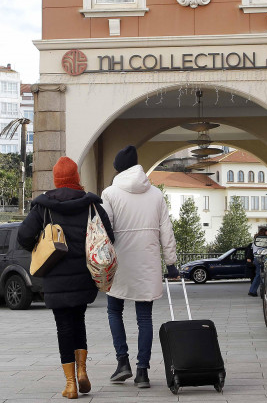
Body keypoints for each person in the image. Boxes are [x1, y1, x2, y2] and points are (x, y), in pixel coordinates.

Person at [17, 156, 114, 400]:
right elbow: (109, 236)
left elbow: (23, 237)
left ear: (57, 179)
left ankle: (70, 384)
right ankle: (82, 370)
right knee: (78, 321)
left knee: (63, 327)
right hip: (83, 278)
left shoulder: (44, 207)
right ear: (76, 178)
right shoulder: (91, 205)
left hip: (55, 278)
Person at [101, 145, 178, 389]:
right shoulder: (155, 194)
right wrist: (172, 264)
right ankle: (142, 372)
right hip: (148, 263)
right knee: (145, 318)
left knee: (114, 311)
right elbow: (166, 231)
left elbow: (105, 231)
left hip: (120, 263)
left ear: (118, 168)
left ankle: (122, 362)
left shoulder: (110, 193)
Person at [247, 228, 267, 297]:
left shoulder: (256, 240)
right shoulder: (263, 240)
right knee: (259, 275)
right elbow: (265, 249)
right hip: (261, 258)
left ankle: (253, 291)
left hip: (256, 258)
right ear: (265, 232)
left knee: (258, 275)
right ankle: (252, 291)